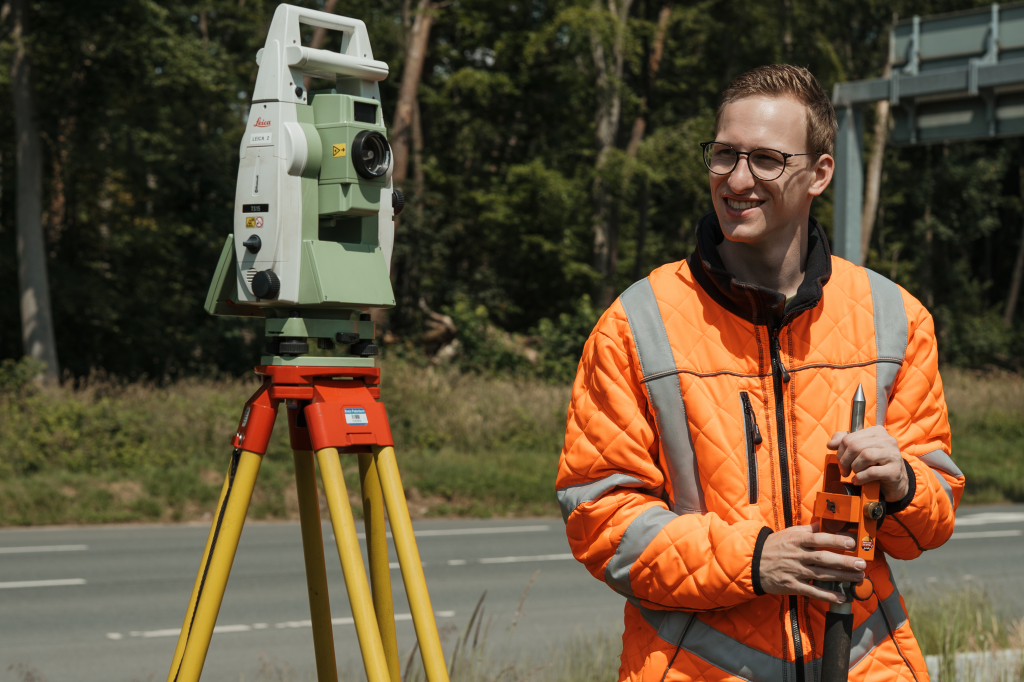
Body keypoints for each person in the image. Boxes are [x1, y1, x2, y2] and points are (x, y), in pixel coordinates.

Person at [555, 64, 963, 682]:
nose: (737, 179)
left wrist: (903, 483)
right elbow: (600, 522)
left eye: (766, 160)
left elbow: (928, 522)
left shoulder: (894, 318)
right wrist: (753, 559)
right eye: (724, 156)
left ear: (819, 173)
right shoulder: (636, 325)